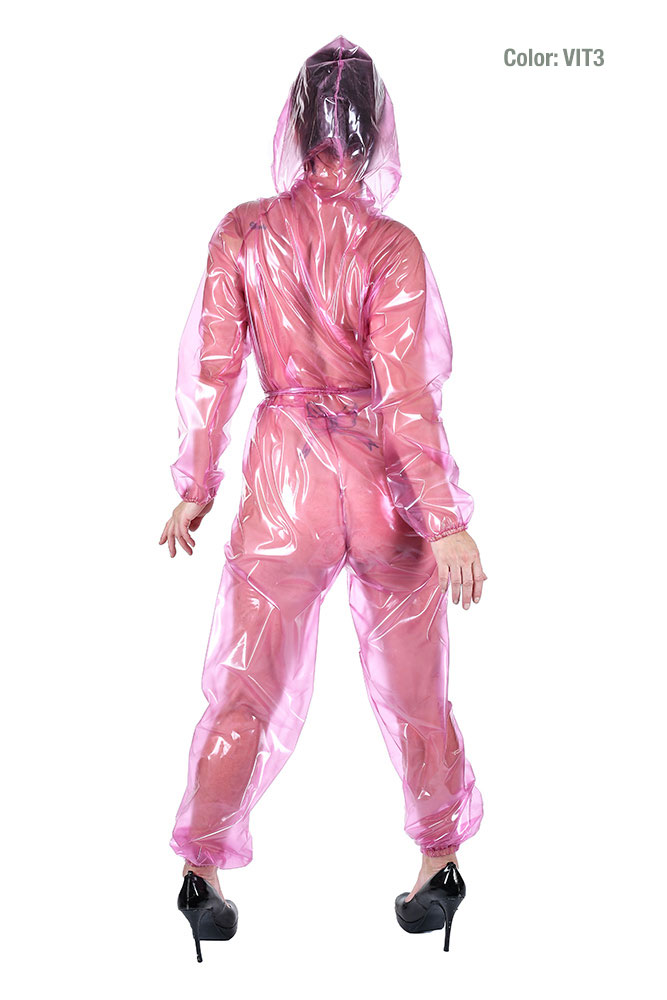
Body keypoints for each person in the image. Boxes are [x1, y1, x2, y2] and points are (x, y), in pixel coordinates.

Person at [159, 36, 487, 958]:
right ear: (377, 127)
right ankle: (439, 864)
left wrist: (196, 485)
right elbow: (405, 395)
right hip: (384, 489)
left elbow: (214, 372)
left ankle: (200, 874)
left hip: (283, 486)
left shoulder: (243, 232)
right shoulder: (391, 246)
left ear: (294, 123)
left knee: (244, 689)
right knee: (418, 694)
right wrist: (445, 522)